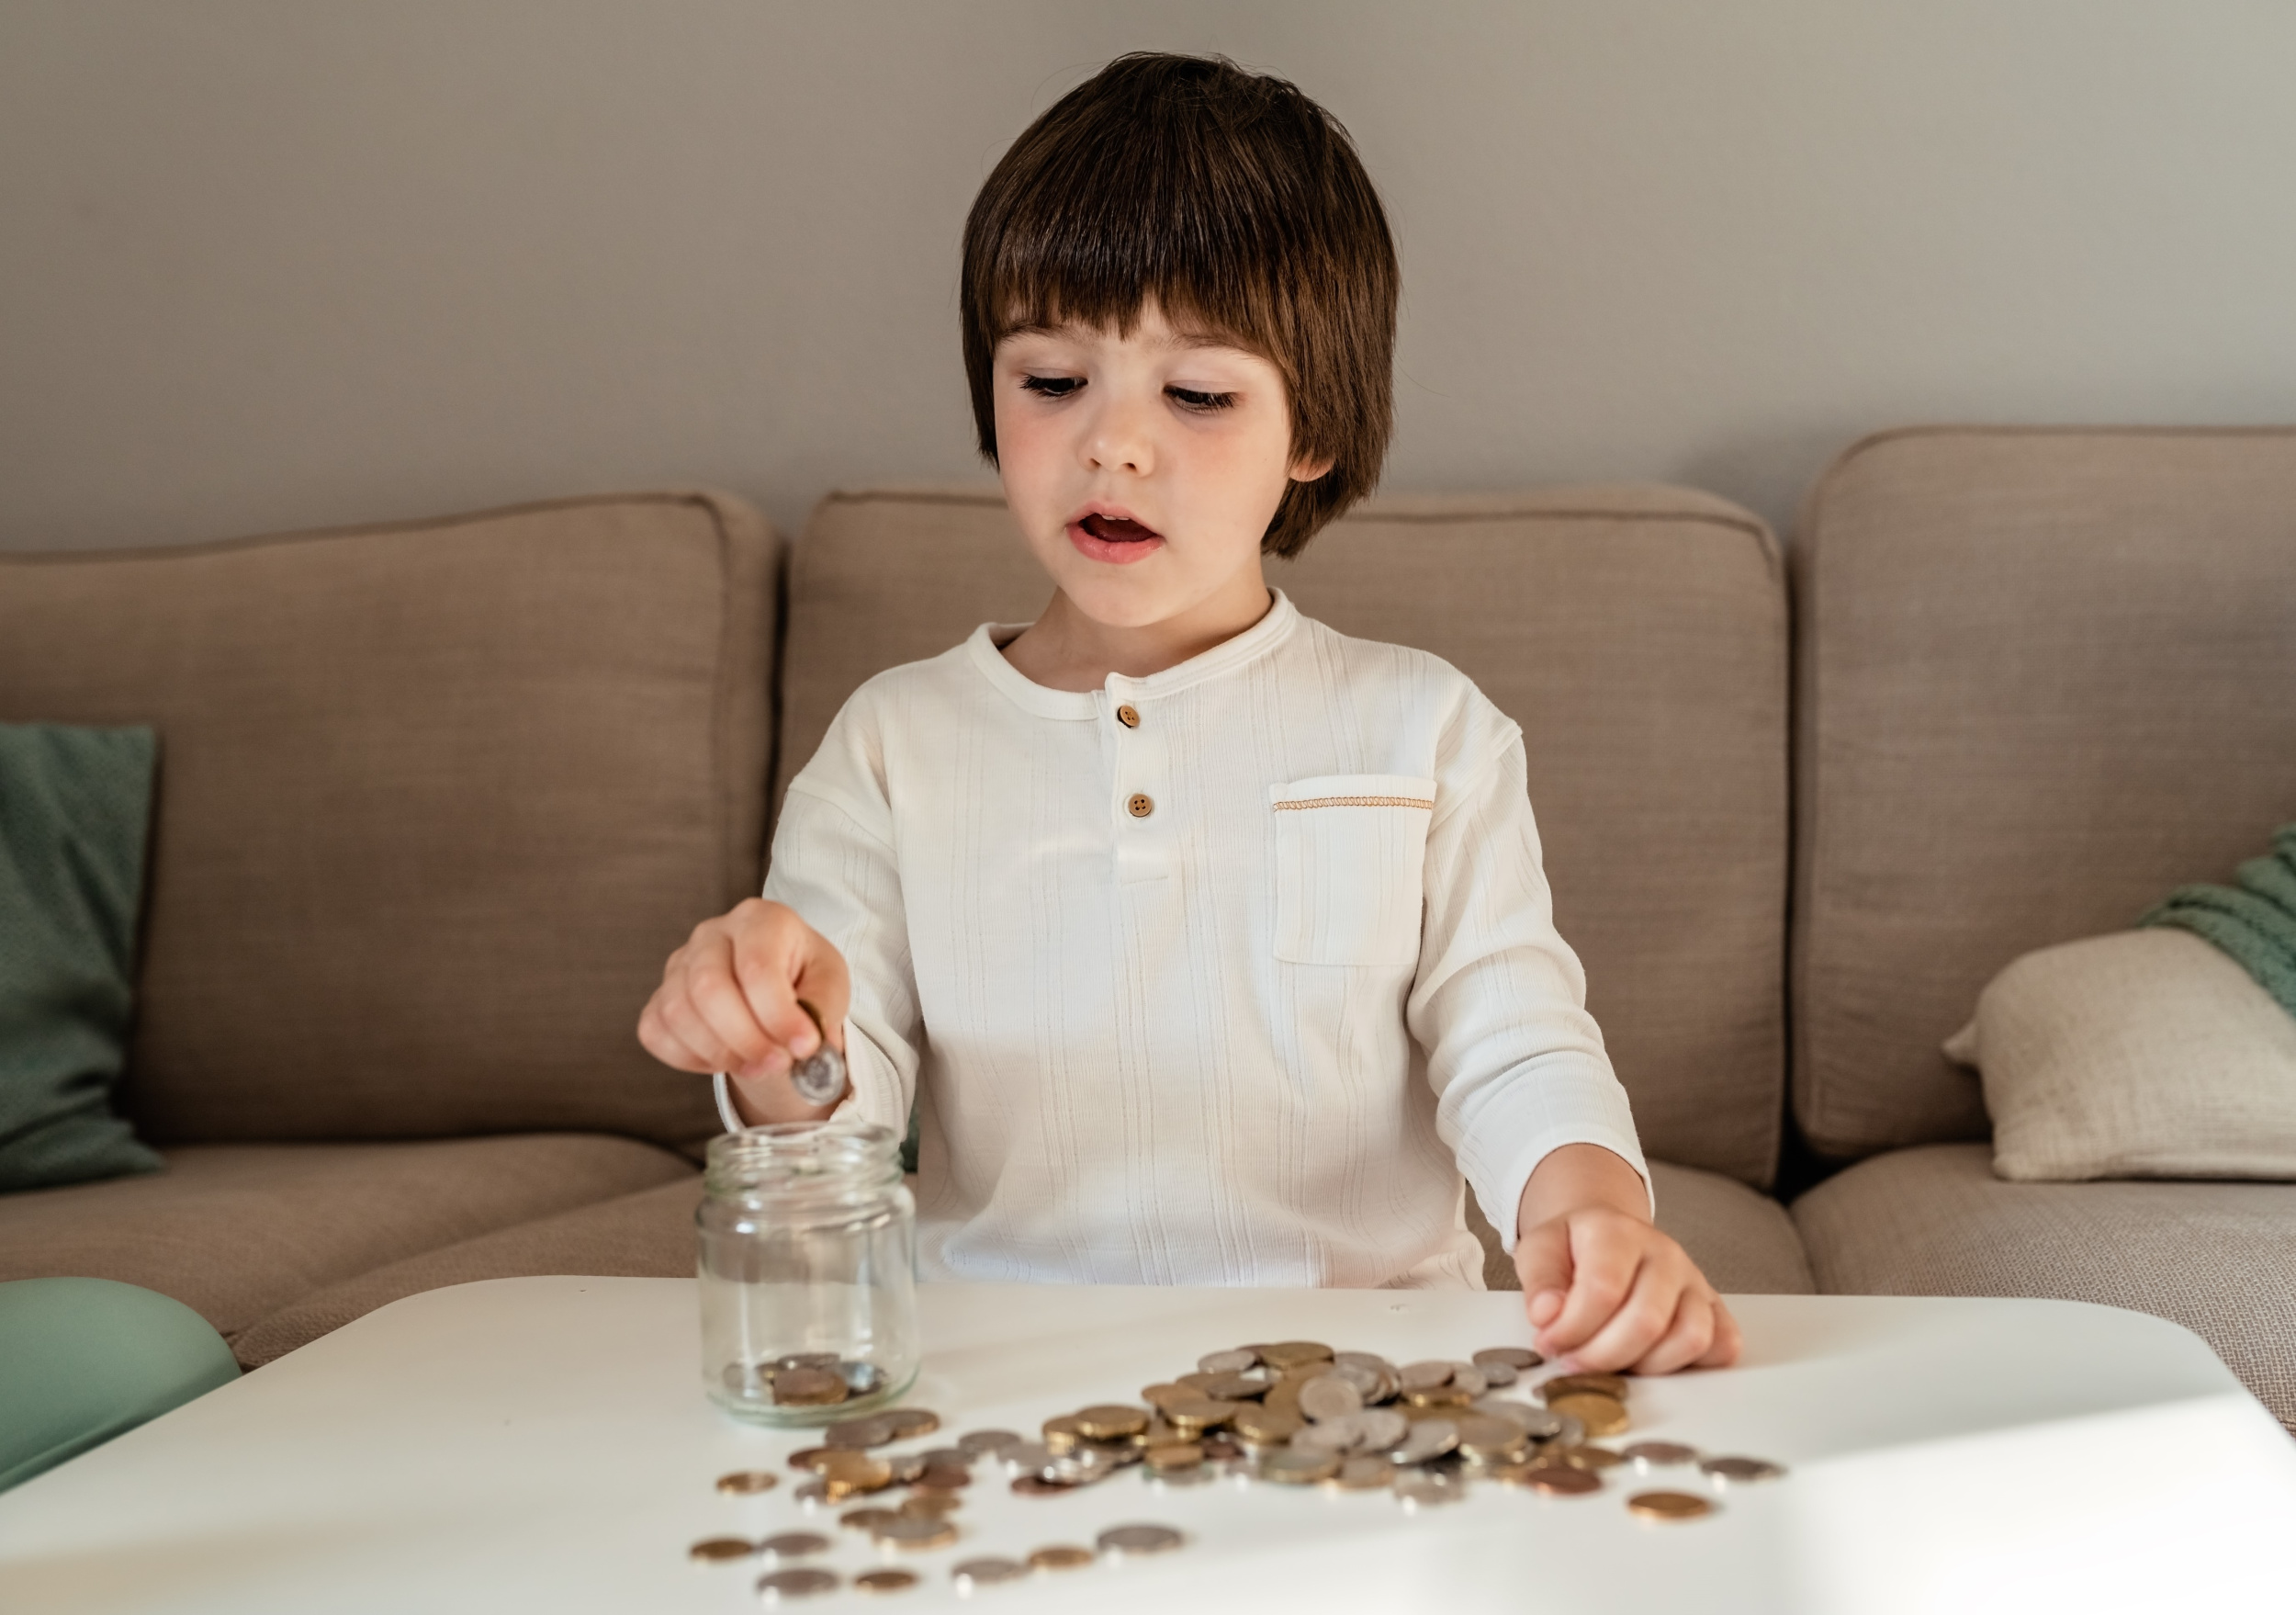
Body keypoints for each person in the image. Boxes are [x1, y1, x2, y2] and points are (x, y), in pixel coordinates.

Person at [639, 52, 1738, 1376]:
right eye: (1052, 381)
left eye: (1198, 394)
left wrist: (1595, 1218)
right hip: (1003, 1379)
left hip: (1368, 1379)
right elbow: (832, 1127)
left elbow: (1512, 1040)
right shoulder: (892, 746)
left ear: (1313, 428)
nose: (1114, 443)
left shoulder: (1425, 729)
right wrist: (776, 1037)